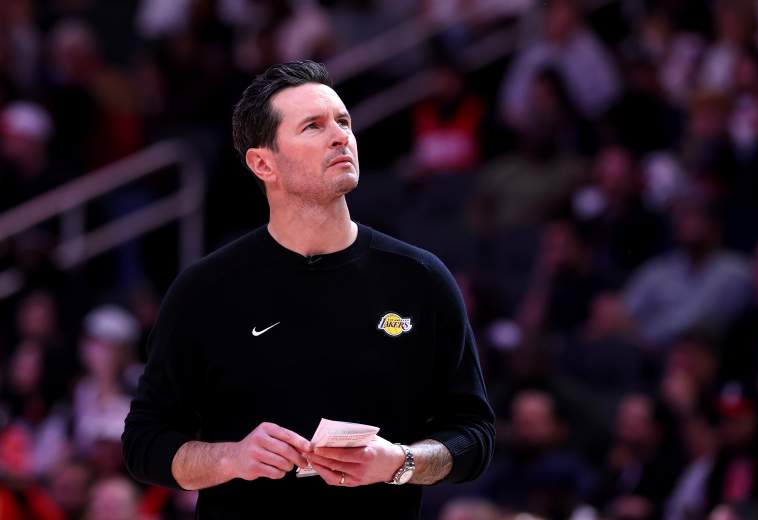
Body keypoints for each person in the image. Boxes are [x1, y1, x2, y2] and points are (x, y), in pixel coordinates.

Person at [121, 60, 495, 519]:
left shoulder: (422, 278)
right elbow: (144, 444)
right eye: (314, 126)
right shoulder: (204, 290)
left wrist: (401, 463)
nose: (340, 136)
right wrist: (231, 458)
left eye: (343, 122)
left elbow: (474, 435)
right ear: (263, 163)